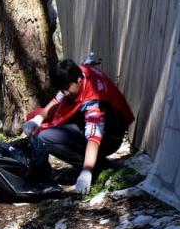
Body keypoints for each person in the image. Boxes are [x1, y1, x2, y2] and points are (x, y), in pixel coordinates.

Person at [23, 58, 135, 194]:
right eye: (62, 89)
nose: (65, 93)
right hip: (101, 127)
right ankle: (94, 163)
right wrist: (39, 118)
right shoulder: (80, 73)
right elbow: (59, 98)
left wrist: (87, 170)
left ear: (78, 80)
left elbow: (94, 136)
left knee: (46, 138)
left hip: (110, 138)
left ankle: (98, 166)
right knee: (41, 126)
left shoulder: (94, 102)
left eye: (66, 89)